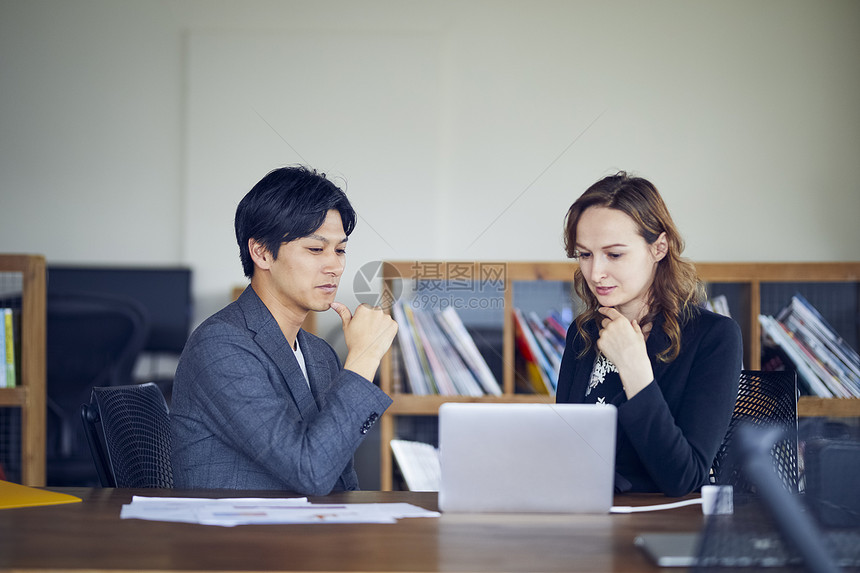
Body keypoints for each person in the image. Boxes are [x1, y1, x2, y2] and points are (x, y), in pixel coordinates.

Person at [170, 166, 397, 495]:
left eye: (341, 249)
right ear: (261, 252)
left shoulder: (319, 354)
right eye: (316, 250)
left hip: (308, 536)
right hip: (236, 541)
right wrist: (363, 356)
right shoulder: (220, 346)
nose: (334, 265)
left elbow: (338, 478)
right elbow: (311, 472)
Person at [556, 171, 742, 497]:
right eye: (585, 254)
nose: (595, 272)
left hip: (661, 526)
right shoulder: (583, 333)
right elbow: (567, 450)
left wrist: (634, 369)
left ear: (658, 248)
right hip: (584, 515)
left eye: (614, 254)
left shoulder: (714, 338)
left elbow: (684, 478)